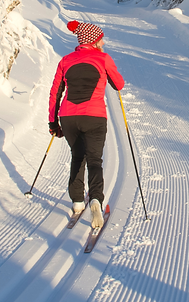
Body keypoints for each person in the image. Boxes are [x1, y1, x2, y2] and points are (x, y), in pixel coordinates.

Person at [48, 20, 124, 228]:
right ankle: (96, 201)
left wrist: (53, 122)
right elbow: (119, 84)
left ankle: (78, 202)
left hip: (69, 117)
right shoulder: (103, 58)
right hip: (94, 117)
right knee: (94, 160)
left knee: (77, 156)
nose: (103, 42)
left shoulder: (66, 61)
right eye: (101, 39)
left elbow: (56, 92)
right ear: (95, 41)